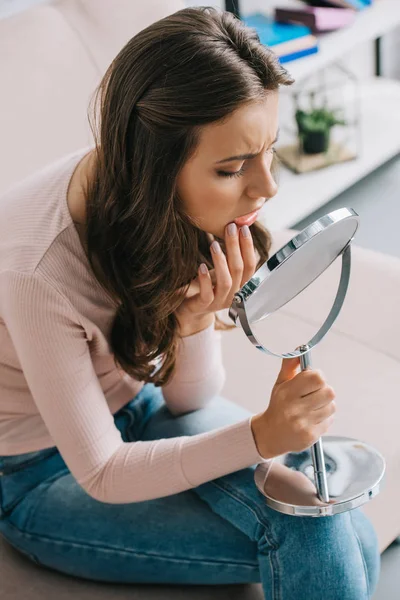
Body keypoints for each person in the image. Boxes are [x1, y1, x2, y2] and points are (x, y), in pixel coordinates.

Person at [0, 6, 379, 599]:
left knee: (332, 519)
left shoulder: (168, 209)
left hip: (143, 411)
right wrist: (262, 436)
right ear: (154, 169)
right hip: (38, 474)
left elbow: (189, 398)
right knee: (312, 528)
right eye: (232, 168)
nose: (268, 187)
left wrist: (192, 321)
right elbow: (100, 471)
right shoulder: (34, 266)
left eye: (267, 151)